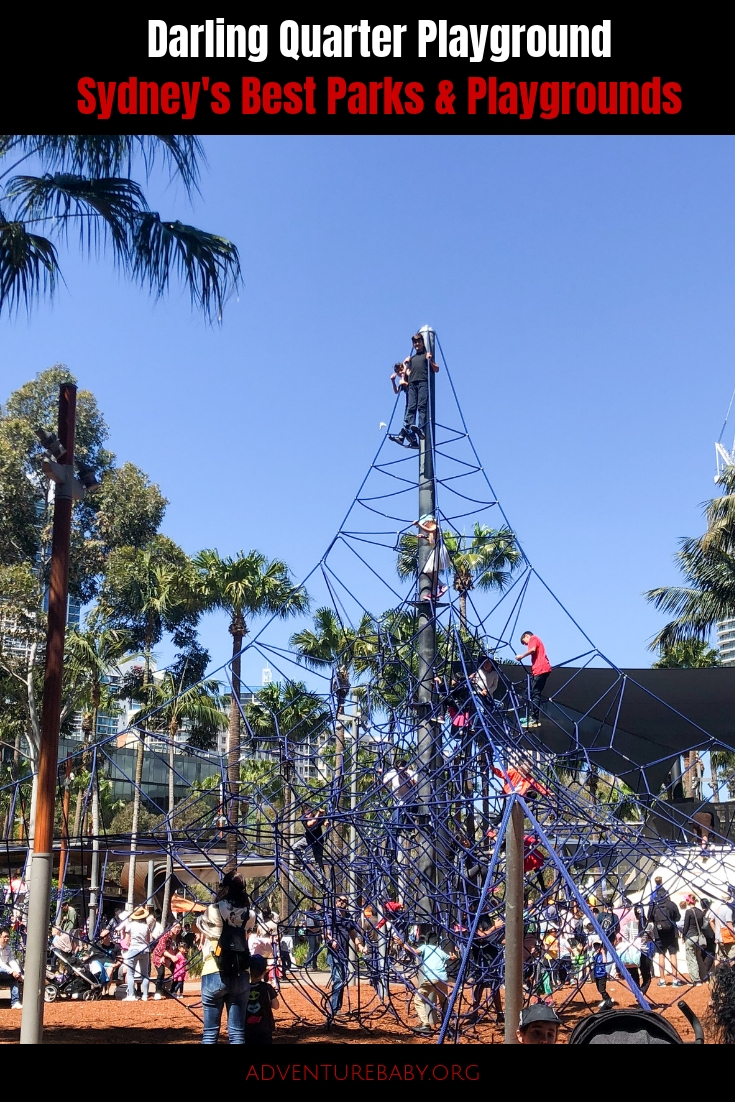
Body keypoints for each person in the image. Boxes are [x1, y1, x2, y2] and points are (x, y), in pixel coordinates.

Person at [196, 872, 255, 1044]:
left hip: (214, 969)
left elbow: (198, 924)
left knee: (210, 1033)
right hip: (241, 971)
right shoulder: (250, 915)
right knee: (237, 1033)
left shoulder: (214, 910)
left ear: (225, 888)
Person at [388, 331, 439, 448]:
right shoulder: (412, 358)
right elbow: (407, 373)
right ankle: (410, 428)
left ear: (422, 342)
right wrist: (405, 366)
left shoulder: (426, 355)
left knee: (422, 406)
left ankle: (420, 428)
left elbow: (436, 369)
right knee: (411, 407)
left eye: (418, 342)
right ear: (413, 345)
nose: (417, 344)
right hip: (412, 384)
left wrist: (430, 360)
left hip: (423, 382)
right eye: (415, 342)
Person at [323, 895, 366, 1019]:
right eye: (340, 900)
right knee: (338, 980)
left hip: (344, 953)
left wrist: (360, 946)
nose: (342, 902)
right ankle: (334, 1009)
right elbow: (326, 932)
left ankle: (337, 1008)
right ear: (336, 901)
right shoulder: (331, 915)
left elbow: (353, 933)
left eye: (345, 901)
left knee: (342, 980)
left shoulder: (348, 917)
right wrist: (331, 940)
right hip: (334, 952)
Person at [408, 929, 453, 1034]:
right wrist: (454, 956)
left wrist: (402, 944)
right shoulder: (439, 950)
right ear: (437, 942)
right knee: (444, 1002)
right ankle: (447, 1026)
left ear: (426, 941)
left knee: (418, 999)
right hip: (442, 978)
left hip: (431, 978)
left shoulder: (425, 947)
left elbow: (415, 951)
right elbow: (450, 958)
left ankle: (425, 1025)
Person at [515, 631, 552, 726]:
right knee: (533, 692)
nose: (526, 645)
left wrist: (521, 656)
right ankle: (532, 716)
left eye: (525, 642)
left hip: (540, 669)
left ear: (527, 636)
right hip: (542, 669)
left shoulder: (533, 638)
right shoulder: (537, 640)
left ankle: (533, 718)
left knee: (534, 693)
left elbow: (532, 649)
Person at [647, 886, 683, 986]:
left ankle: (662, 980)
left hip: (659, 934)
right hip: (672, 933)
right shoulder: (671, 904)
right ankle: (675, 980)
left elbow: (649, 918)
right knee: (673, 955)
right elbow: (678, 917)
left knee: (661, 956)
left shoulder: (653, 905)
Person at [245, 954, 279, 1044]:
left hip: (247, 1028)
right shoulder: (267, 988)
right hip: (264, 1028)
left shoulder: (244, 988)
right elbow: (276, 1006)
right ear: (265, 971)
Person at [121, 905, 152, 1001]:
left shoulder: (130, 926)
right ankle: (145, 995)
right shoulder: (146, 926)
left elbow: (127, 941)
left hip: (133, 950)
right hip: (145, 950)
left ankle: (131, 995)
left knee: (130, 973)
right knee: (145, 974)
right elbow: (148, 940)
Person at [152, 920, 182, 999]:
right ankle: (158, 991)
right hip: (159, 956)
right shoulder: (165, 936)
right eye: (175, 927)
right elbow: (162, 950)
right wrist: (168, 957)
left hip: (170, 958)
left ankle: (173, 991)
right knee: (161, 973)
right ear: (171, 928)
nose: (177, 929)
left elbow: (180, 949)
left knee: (178, 972)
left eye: (179, 928)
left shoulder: (179, 938)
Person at [681, 894, 708, 983]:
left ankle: (695, 979)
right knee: (699, 957)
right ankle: (704, 977)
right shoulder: (700, 911)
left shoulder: (688, 912)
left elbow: (686, 926)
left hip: (690, 936)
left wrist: (683, 937)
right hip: (698, 937)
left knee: (691, 958)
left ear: (689, 901)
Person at [0, 927, 22, 1008]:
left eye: (8, 937)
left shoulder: (8, 948)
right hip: (1, 969)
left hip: (3, 972)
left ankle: (15, 1002)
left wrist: (17, 972)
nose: (7, 939)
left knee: (14, 978)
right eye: (5, 936)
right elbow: (1, 963)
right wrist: (12, 972)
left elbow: (11, 960)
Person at [713, 886, 735, 962]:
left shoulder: (717, 909)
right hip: (727, 938)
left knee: (720, 959)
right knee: (732, 958)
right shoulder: (728, 910)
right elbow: (729, 924)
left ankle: (718, 973)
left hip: (718, 938)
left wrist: (716, 932)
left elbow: (711, 920)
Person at [591, 941, 614, 1009]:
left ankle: (608, 999)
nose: (596, 948)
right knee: (599, 989)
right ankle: (605, 999)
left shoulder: (602, 955)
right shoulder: (595, 956)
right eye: (595, 947)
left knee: (602, 990)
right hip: (596, 975)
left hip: (602, 975)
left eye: (598, 947)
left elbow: (604, 961)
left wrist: (603, 952)